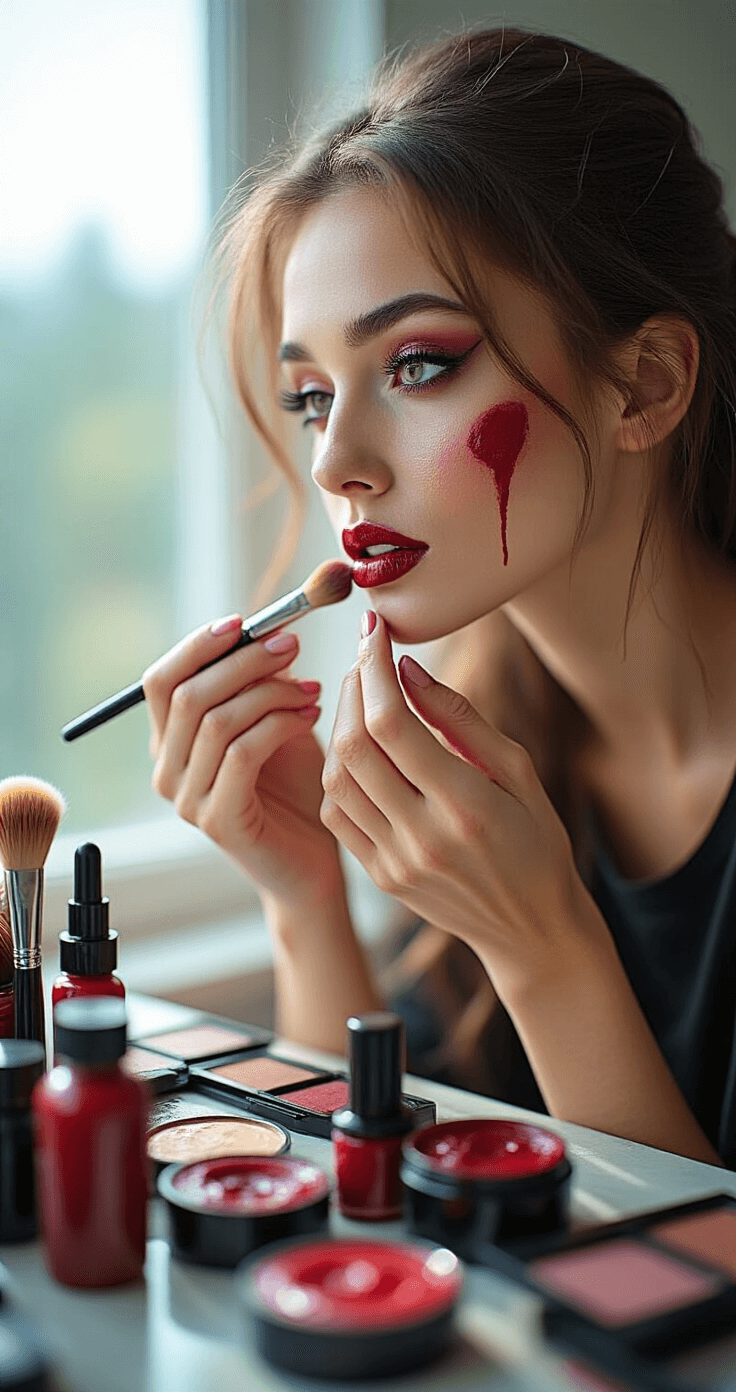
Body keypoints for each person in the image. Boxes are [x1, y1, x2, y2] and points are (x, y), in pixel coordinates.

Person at [142, 28, 736, 1168]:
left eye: (416, 364)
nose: (334, 463)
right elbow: (364, 1197)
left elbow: (696, 1324)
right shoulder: (476, 751)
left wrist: (548, 952)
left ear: (643, 385)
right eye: (313, 397)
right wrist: (305, 893)